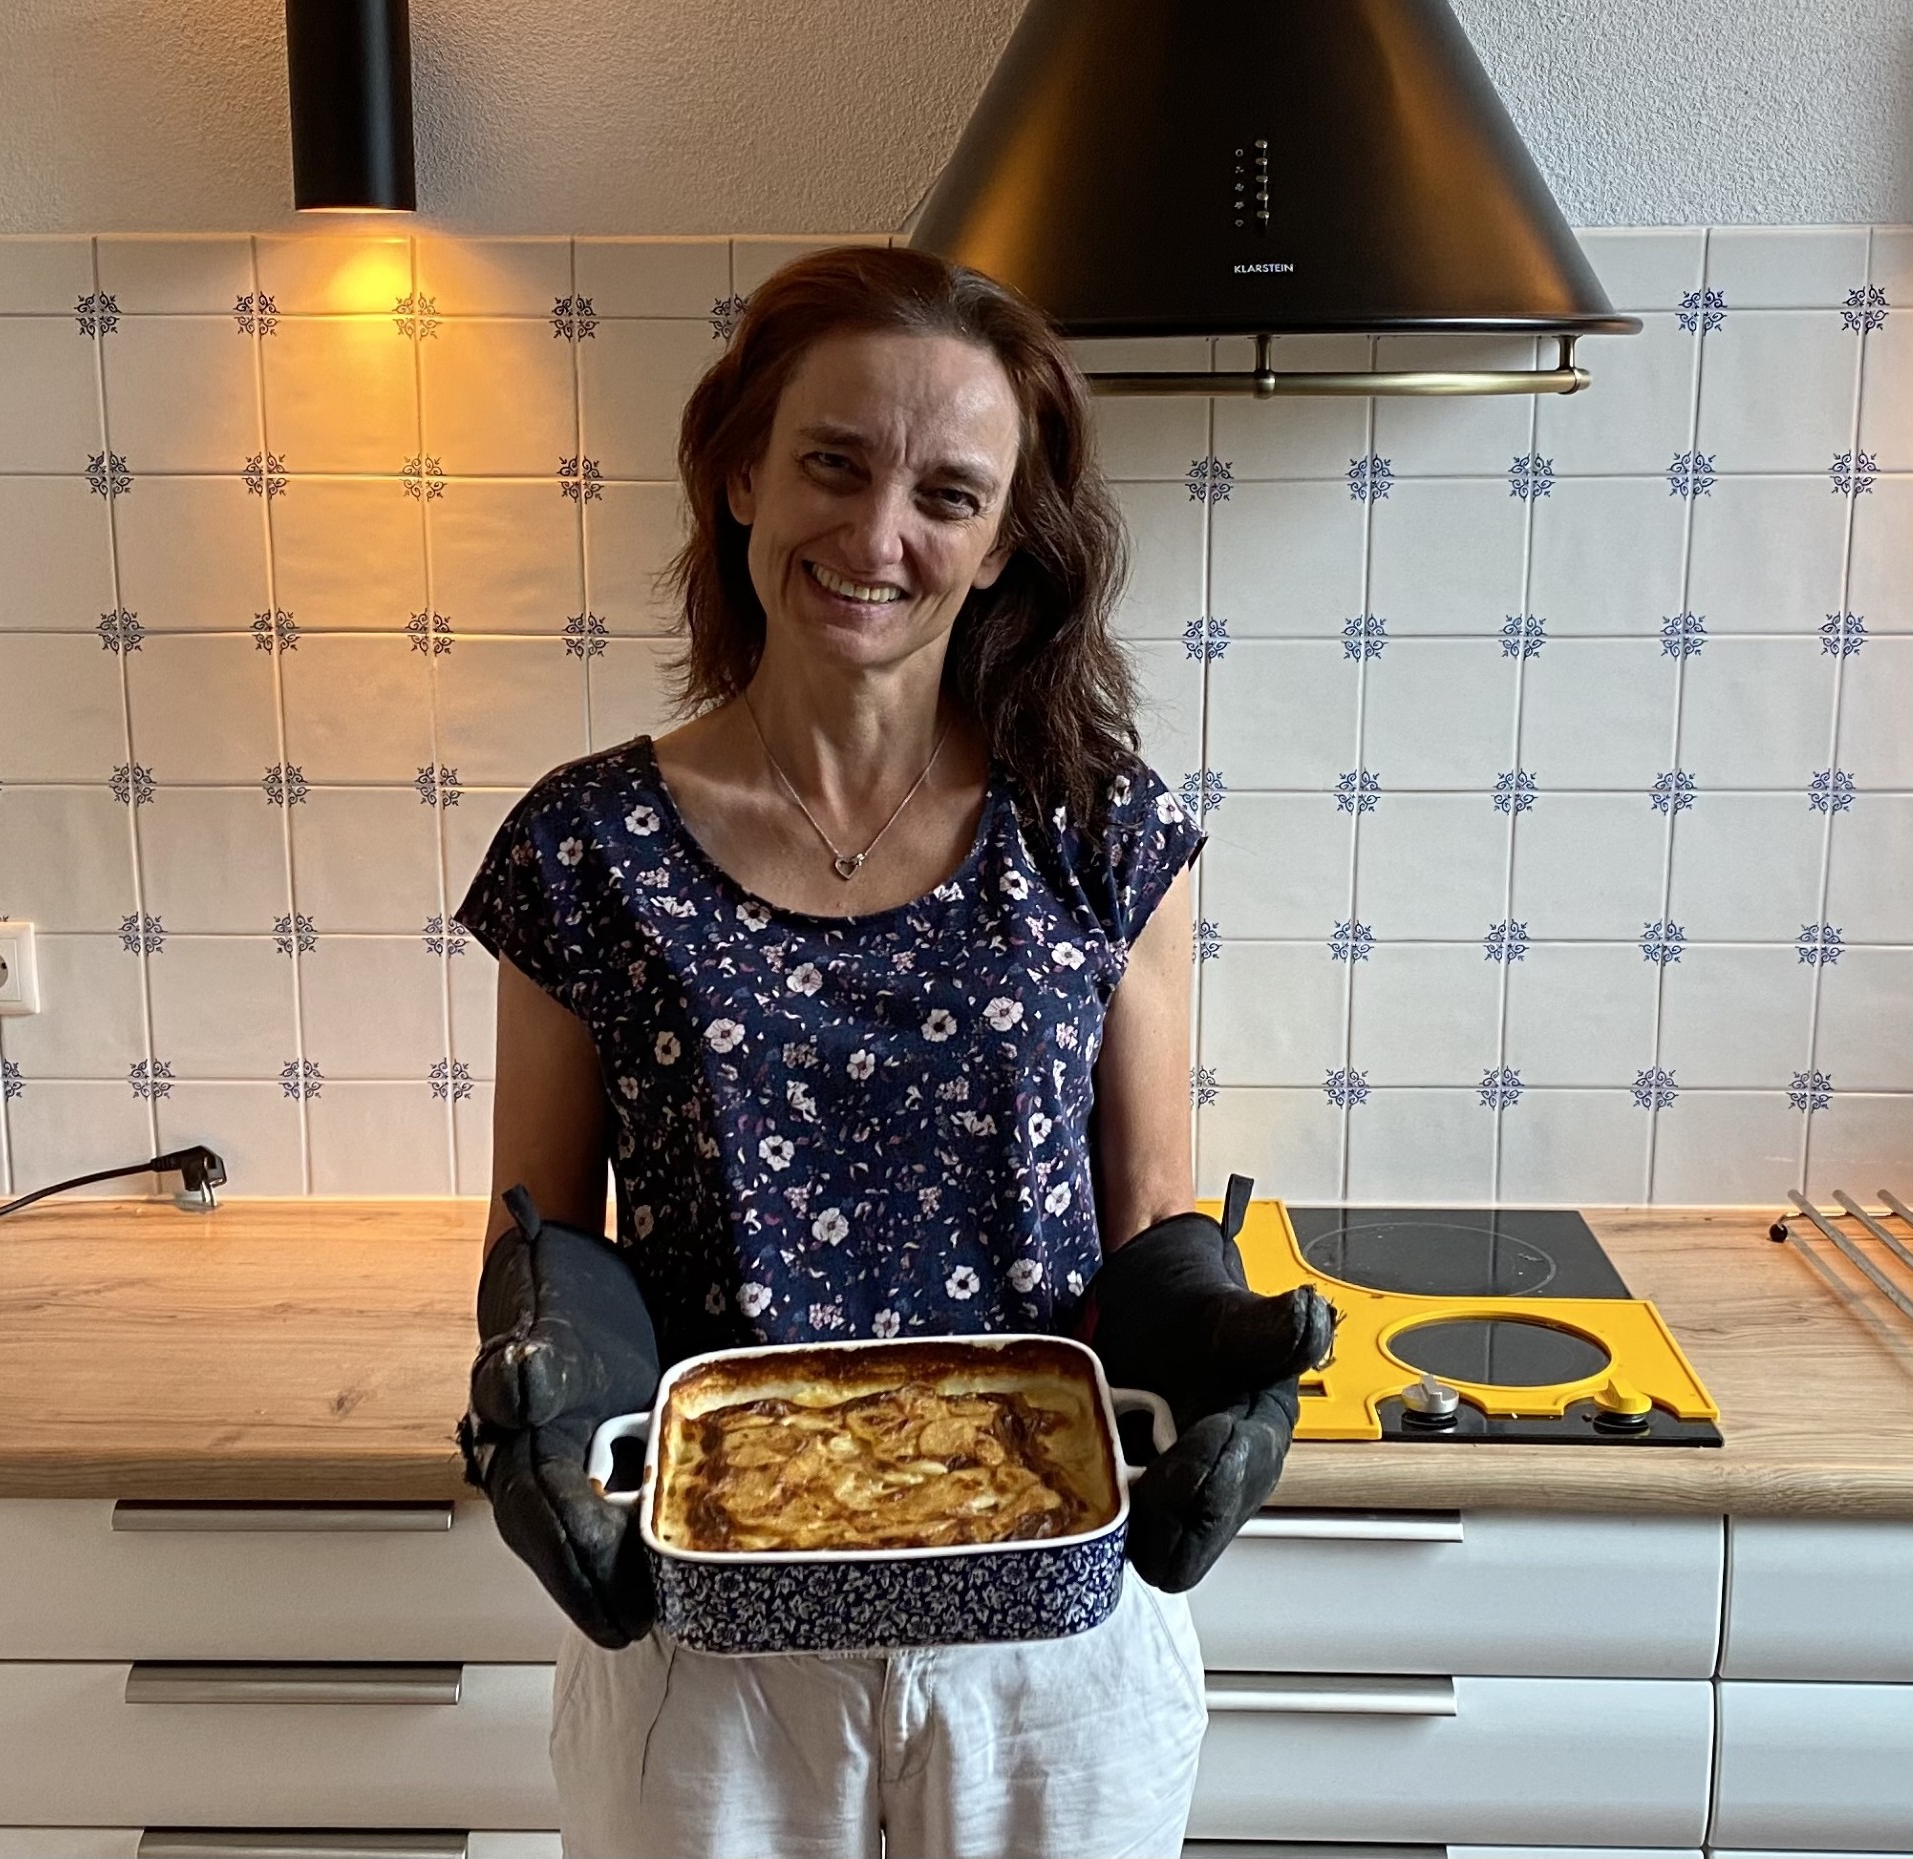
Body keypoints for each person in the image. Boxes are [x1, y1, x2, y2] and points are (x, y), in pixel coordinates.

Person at [455, 244, 1328, 1859]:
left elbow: (1147, 1212)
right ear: (737, 476)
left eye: (945, 493)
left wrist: (1211, 1341)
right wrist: (545, 1374)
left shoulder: (1101, 831)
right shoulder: (583, 846)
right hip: (705, 1640)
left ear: (1002, 545)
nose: (876, 537)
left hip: (1055, 1628)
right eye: (833, 466)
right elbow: (546, 1239)